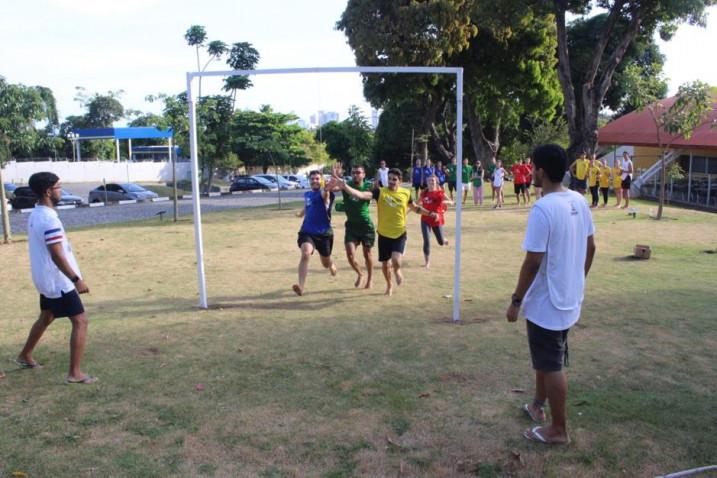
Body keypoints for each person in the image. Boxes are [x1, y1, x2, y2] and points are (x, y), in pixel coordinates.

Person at [506, 143, 596, 445]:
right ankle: (537, 405)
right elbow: (591, 247)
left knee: (551, 363)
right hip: (567, 298)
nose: (531, 171)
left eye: (533, 167)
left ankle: (558, 430)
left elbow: (532, 262)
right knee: (545, 357)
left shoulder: (543, 208)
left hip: (548, 302)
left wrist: (515, 301)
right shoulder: (578, 201)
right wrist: (576, 281)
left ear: (541, 172)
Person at [16, 172, 97, 384]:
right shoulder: (48, 218)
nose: (61, 190)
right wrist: (75, 279)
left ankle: (25, 355)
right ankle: (75, 373)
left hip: (45, 280)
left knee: (47, 317)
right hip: (58, 281)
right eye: (59, 187)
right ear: (47, 191)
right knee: (81, 321)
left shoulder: (37, 213)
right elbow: (56, 253)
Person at [332, 168, 436, 296]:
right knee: (385, 264)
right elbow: (362, 195)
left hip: (399, 233)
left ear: (400, 181)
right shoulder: (379, 192)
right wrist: (345, 187)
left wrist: (430, 213)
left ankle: (397, 271)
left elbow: (416, 208)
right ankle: (389, 284)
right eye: (390, 178)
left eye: (394, 179)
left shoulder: (406, 193)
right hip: (383, 234)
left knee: (396, 260)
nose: (391, 181)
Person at [292, 170, 337, 296]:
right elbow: (308, 206)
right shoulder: (307, 194)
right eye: (312, 179)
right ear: (309, 181)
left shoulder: (325, 194)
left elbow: (325, 194)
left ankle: (331, 264)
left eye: (317, 178)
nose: (314, 181)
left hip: (324, 234)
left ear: (321, 180)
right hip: (307, 231)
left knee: (325, 263)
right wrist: (300, 214)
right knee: (305, 253)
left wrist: (331, 182)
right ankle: (301, 287)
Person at [334, 165, 375, 289]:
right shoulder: (347, 183)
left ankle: (370, 279)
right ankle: (360, 273)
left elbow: (361, 196)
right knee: (350, 255)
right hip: (351, 226)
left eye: (358, 172)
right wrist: (334, 178)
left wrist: (343, 185)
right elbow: (332, 188)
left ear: (364, 174)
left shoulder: (369, 186)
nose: (356, 175)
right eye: (353, 172)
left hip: (366, 225)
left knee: (367, 254)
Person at [419, 174, 453, 268]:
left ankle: (443, 239)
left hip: (437, 220)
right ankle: (427, 262)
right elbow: (417, 204)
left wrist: (445, 202)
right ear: (427, 182)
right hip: (425, 219)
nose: (431, 182)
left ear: (436, 182)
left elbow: (451, 202)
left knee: (441, 242)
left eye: (433, 181)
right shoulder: (424, 193)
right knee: (427, 240)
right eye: (430, 181)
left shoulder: (440, 193)